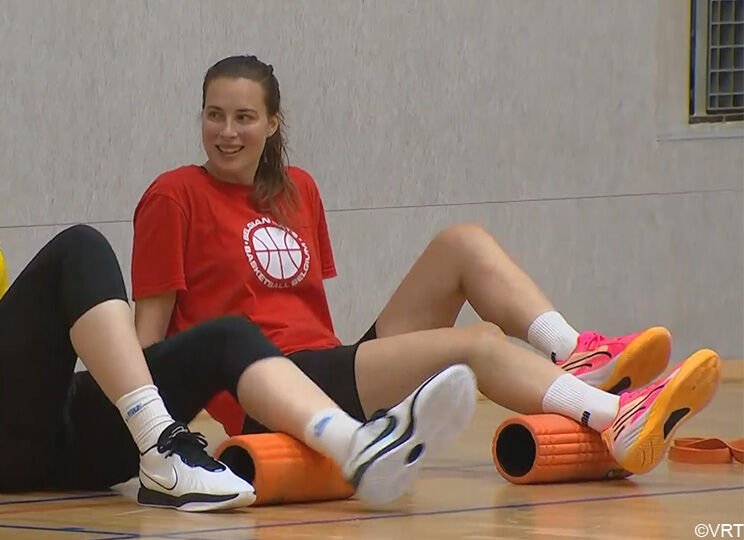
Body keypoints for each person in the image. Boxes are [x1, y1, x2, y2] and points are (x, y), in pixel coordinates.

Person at [0, 44, 479, 538]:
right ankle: (163, 445)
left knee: (227, 334)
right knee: (80, 245)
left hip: (41, 436)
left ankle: (357, 447)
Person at [131, 55, 722, 478]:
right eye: (215, 116)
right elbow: (149, 345)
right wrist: (158, 440)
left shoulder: (298, 190)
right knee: (478, 345)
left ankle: (573, 351)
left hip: (329, 368)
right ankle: (616, 414)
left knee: (461, 242)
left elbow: (304, 312)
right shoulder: (173, 196)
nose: (227, 132)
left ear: (273, 123)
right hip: (272, 392)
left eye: (244, 117)